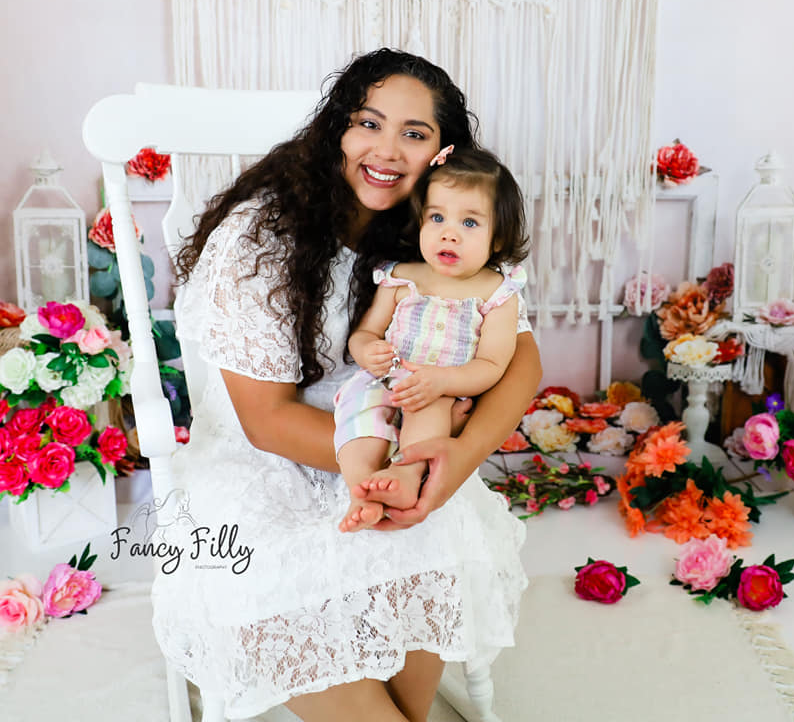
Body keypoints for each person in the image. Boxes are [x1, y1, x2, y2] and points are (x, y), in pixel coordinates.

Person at [151, 49, 542, 722]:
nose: (386, 149)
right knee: (278, 576)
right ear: (338, 128)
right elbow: (267, 422)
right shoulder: (263, 236)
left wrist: (455, 458)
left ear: (442, 156)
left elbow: (522, 361)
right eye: (368, 122)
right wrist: (392, 465)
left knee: (432, 540)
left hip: (397, 439)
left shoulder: (440, 232)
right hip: (271, 454)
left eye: (414, 134)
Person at [335, 145, 530, 533]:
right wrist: (367, 350)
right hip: (383, 380)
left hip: (439, 388)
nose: (449, 233)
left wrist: (443, 381)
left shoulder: (498, 294)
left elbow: (493, 364)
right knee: (358, 416)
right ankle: (361, 488)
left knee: (430, 414)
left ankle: (406, 475)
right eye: (437, 217)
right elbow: (366, 332)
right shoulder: (401, 277)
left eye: (470, 223)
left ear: (497, 238)